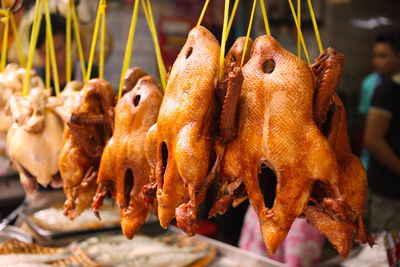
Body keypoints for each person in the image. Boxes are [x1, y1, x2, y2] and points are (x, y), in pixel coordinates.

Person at [364, 32, 400, 232]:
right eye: (375, 55)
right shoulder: (386, 90)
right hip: (388, 188)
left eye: (383, 55)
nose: (376, 61)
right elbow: (373, 140)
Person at [32, 13, 98, 95]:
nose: (52, 58)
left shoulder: (90, 72)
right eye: (44, 53)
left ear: (69, 45)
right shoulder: (33, 80)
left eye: (57, 50)